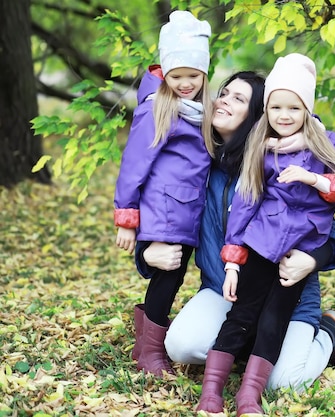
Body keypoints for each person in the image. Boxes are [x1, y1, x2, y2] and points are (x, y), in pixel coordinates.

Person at [196, 53, 335, 416]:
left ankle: (248, 396)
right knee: (240, 317)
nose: (284, 116)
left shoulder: (327, 144)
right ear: (266, 110)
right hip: (261, 245)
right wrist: (233, 261)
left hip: (297, 255)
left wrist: (314, 179)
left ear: (307, 109)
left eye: (294, 108)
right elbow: (244, 205)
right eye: (275, 108)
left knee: (272, 323)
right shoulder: (262, 147)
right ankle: (211, 392)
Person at [113, 10, 213, 377]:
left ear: (204, 74)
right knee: (168, 273)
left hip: (187, 208)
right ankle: (150, 353)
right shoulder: (158, 108)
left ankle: (147, 343)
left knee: (175, 271)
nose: (185, 83)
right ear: (164, 73)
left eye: (193, 75)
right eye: (177, 76)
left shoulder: (198, 109)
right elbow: (134, 164)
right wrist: (127, 219)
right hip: (165, 208)